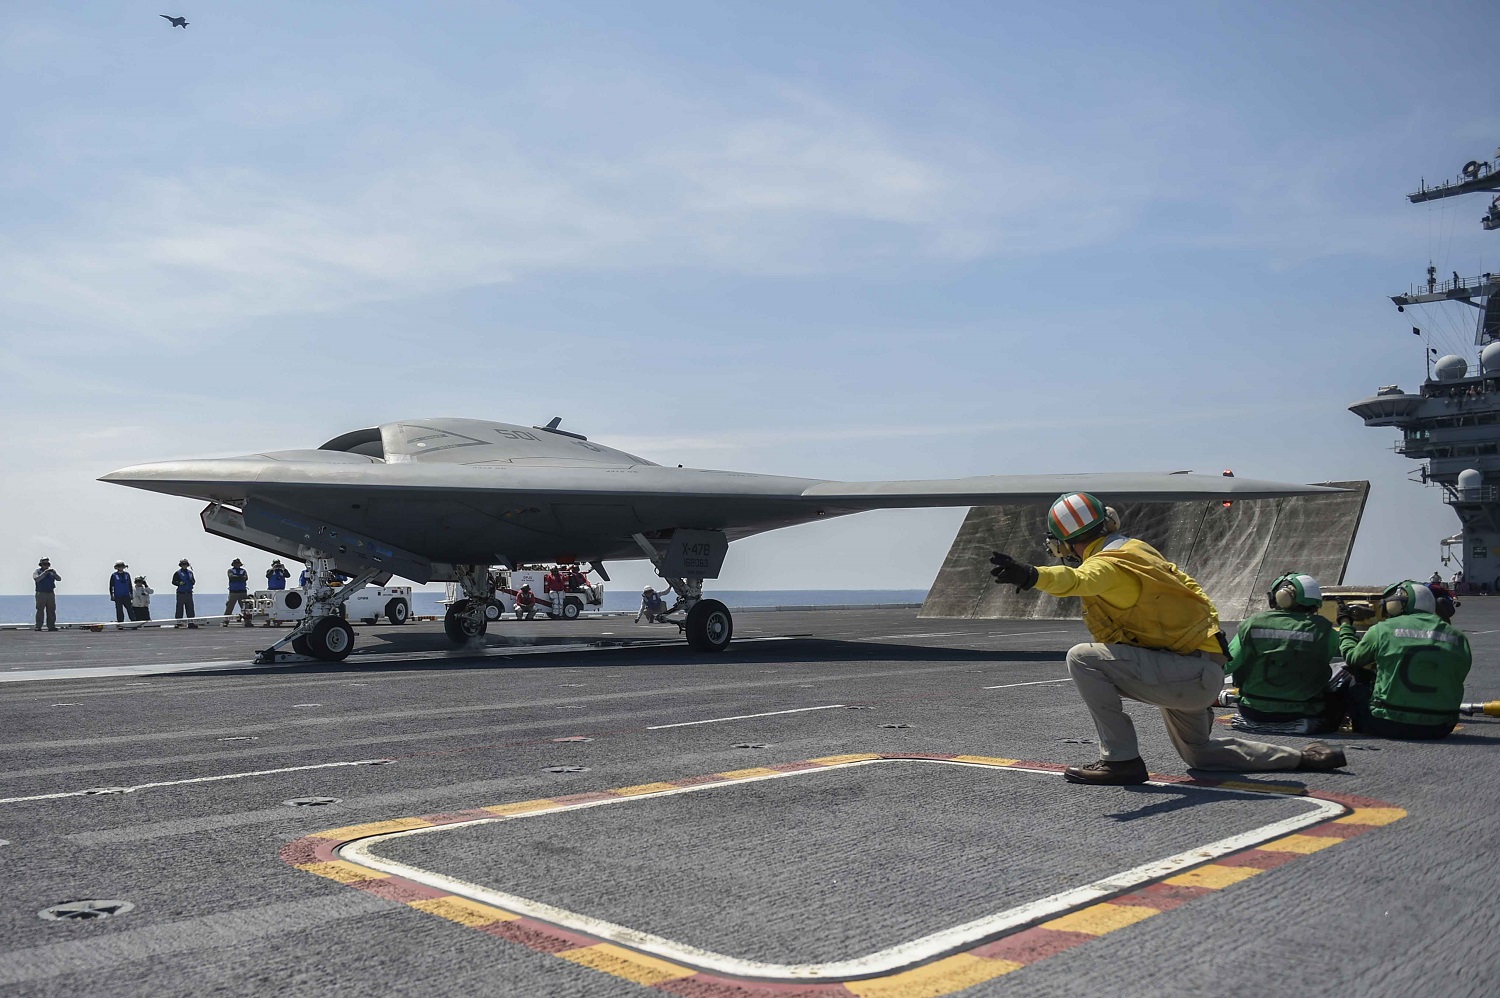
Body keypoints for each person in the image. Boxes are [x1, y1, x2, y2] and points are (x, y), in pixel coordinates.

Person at [989, 493, 1345, 785]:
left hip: (1185, 673)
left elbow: (1079, 580)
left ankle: (1121, 760)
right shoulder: (1136, 550)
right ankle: (1305, 757)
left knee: (1083, 658)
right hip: (1191, 668)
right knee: (1201, 755)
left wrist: (1032, 575)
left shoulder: (1110, 562)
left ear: (1065, 541)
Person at [1337, 582, 1471, 739]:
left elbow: (1352, 658)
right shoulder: (1458, 638)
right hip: (1440, 727)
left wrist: (1345, 624)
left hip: (1387, 724)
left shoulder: (1383, 629)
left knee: (1353, 681)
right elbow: (1460, 673)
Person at [1226, 573, 1346, 735]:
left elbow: (1227, 664)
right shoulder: (1326, 631)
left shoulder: (1251, 625)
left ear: (1279, 595)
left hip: (1253, 711)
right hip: (1304, 710)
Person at [33, 558, 61, 631]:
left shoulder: (51, 572)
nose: (46, 566)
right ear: (41, 564)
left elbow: (59, 579)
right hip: (41, 593)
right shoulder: (37, 571)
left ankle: (51, 626)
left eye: (48, 564)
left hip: (50, 593)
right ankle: (38, 626)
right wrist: (45, 573)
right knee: (40, 610)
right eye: (44, 564)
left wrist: (54, 573)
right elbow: (37, 579)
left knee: (51, 610)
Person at [224, 558, 252, 626]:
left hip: (242, 592)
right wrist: (240, 578)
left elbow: (246, 578)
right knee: (229, 607)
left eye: (238, 563)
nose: (237, 565)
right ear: (233, 564)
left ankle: (247, 622)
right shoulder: (230, 570)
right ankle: (226, 621)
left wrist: (237, 578)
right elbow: (231, 577)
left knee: (245, 608)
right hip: (233, 592)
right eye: (236, 563)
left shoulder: (243, 571)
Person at [172, 559, 198, 628]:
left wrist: (192, 582)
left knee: (190, 608)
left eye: (185, 564)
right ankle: (178, 623)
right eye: (183, 564)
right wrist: (179, 583)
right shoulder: (178, 573)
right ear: (181, 565)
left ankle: (191, 623)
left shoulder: (190, 573)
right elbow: (173, 582)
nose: (184, 565)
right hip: (181, 593)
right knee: (179, 608)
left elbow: (193, 581)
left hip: (189, 593)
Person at [108, 561, 134, 627]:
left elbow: (130, 585)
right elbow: (111, 586)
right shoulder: (114, 575)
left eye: (122, 567)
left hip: (126, 595)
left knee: (130, 609)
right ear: (117, 568)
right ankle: (120, 623)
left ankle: (133, 622)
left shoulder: (127, 575)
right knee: (119, 610)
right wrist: (112, 595)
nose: (121, 568)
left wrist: (131, 594)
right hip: (118, 595)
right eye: (119, 567)